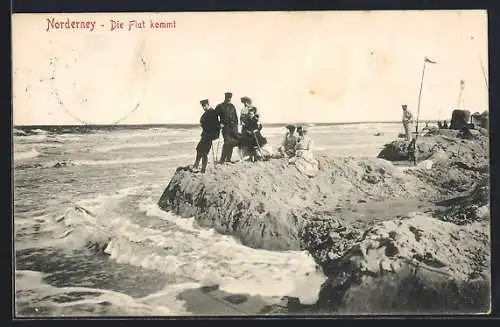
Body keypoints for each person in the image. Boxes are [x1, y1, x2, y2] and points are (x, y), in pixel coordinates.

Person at [191, 99, 220, 173]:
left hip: (209, 136)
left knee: (204, 152)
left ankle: (203, 169)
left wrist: (214, 135)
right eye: (202, 106)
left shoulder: (213, 112)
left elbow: (215, 125)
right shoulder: (207, 112)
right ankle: (196, 165)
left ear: (207, 105)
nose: (203, 108)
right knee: (199, 149)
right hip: (205, 135)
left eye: (204, 106)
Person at [215, 92, 240, 163]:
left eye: (230, 98)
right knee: (227, 142)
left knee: (231, 143)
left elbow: (235, 117)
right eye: (227, 97)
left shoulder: (232, 106)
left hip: (233, 128)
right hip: (225, 128)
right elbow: (214, 116)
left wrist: (236, 127)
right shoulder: (220, 106)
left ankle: (228, 159)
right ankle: (222, 159)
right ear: (225, 97)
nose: (229, 99)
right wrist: (219, 124)